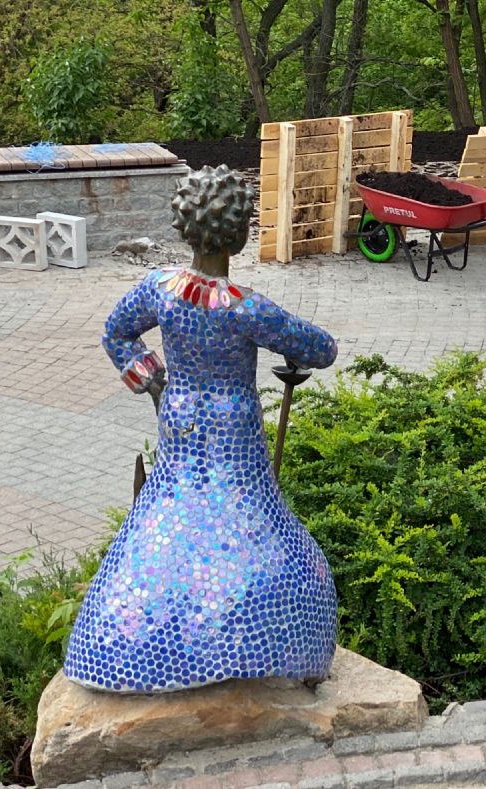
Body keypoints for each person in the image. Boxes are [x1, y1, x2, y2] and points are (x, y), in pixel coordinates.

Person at [65, 166, 340, 693]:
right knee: (245, 516)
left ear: (183, 226)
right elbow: (320, 349)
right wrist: (290, 342)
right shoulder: (245, 308)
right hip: (232, 422)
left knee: (172, 511)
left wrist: (149, 379)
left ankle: (146, 629)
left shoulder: (160, 290)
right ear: (239, 233)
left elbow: (116, 332)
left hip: (180, 414)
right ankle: (255, 631)